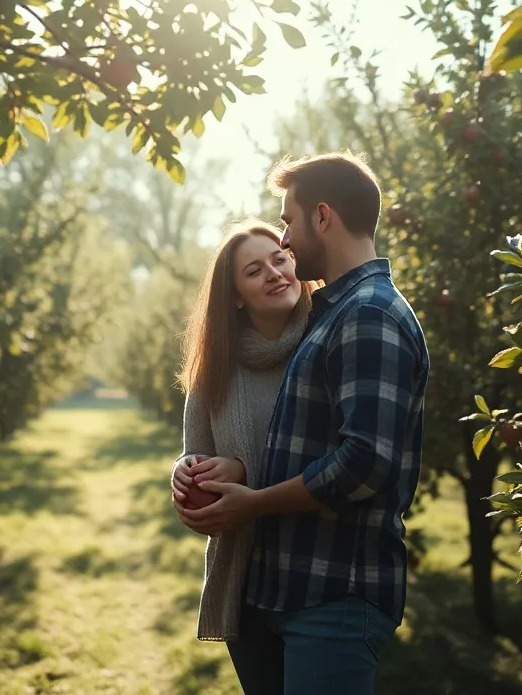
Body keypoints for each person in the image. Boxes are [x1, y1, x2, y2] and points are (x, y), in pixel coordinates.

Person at [178, 152, 430, 695]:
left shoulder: (367, 314)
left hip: (336, 590)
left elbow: (364, 464)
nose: (286, 242)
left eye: (288, 222)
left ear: (322, 217)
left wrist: (256, 501)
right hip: (290, 588)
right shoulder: (333, 315)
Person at [168, 219, 315, 668]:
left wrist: (244, 469)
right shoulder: (213, 372)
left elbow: (341, 457)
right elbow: (203, 463)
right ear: (233, 296)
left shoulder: (326, 343)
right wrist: (188, 471)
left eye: (279, 259)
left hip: (316, 572)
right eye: (253, 271)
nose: (273, 273)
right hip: (246, 580)